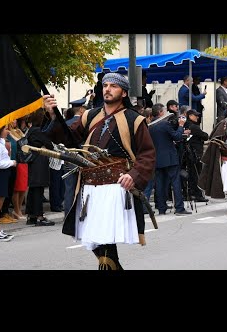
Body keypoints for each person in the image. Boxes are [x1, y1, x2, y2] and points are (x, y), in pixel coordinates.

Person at [43, 72, 156, 270]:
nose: (108, 89)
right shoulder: (90, 115)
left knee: (103, 242)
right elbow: (69, 140)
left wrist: (133, 175)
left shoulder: (134, 119)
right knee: (97, 241)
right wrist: (54, 115)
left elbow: (147, 154)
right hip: (89, 188)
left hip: (115, 187)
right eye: (105, 85)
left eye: (113, 86)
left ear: (123, 92)